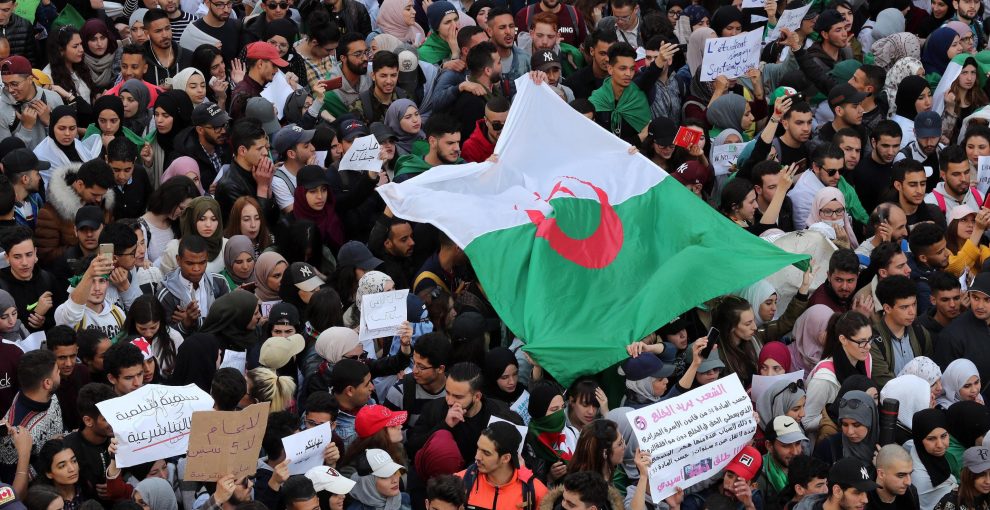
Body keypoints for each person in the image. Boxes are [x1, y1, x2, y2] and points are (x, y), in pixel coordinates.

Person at [804, 311, 874, 436]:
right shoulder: (824, 379)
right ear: (843, 339)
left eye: (870, 339)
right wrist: (842, 415)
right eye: (862, 342)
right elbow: (806, 422)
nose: (868, 346)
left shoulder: (867, 359)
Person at [0, 349, 63, 484]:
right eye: (57, 371)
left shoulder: (51, 396)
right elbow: (12, 486)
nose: (60, 373)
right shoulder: (13, 434)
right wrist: (48, 455)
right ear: (47, 383)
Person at [34, 159, 115, 265]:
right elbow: (46, 256)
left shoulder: (104, 204)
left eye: (102, 195)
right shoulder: (50, 213)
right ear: (80, 184)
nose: (99, 199)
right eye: (94, 195)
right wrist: (84, 249)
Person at [457, 421, 547, 510]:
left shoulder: (536, 492)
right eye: (478, 448)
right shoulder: (460, 481)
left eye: (486, 453)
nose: (477, 457)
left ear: (506, 458)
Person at [62, 383, 125, 506]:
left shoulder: (123, 437)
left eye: (116, 415)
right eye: (106, 418)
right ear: (88, 420)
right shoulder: (68, 449)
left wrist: (118, 485)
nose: (115, 421)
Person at [871, 275, 933, 387]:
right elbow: (885, 383)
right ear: (887, 308)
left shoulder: (920, 332)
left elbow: (930, 372)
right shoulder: (873, 340)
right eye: (904, 307)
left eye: (914, 304)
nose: (912, 312)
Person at [0, 227, 65, 333]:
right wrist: (36, 314)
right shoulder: (2, 286)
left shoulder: (48, 279)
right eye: (17, 257)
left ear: (35, 253)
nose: (24, 262)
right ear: (7, 258)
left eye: (29, 254)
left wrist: (44, 321)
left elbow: (62, 318)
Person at [383, 332, 449, 428]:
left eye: (421, 367)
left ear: (440, 369)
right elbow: (386, 433)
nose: (414, 370)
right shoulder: (400, 392)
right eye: (414, 363)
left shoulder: (456, 391)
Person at [53, 255, 126, 339]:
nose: (97, 288)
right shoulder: (63, 311)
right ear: (80, 283)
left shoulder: (118, 313)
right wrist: (89, 274)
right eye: (92, 281)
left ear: (107, 283)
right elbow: (72, 313)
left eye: (101, 281)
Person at [935, 272, 990, 381]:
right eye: (975, 298)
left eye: (987, 299)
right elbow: (946, 383)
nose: (980, 306)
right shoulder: (951, 336)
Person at [0, 56, 63, 149]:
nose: (10, 90)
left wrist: (49, 123)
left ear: (30, 79)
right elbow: (7, 154)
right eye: (5, 85)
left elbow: (71, 140)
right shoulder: (2, 109)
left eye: (14, 84)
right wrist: (26, 128)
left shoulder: (53, 98)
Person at [849, 121, 902, 214]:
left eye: (895, 146)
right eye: (885, 146)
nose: (891, 152)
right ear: (874, 142)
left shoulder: (900, 162)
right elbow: (865, 213)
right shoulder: (862, 173)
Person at [910, 408, 959, 509]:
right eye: (931, 439)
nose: (940, 445)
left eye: (943, 436)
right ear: (919, 440)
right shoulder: (919, 477)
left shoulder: (947, 456)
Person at [762, 416, 810, 506]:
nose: (795, 452)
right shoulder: (760, 476)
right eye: (786, 445)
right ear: (769, 446)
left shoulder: (808, 466)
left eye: (798, 443)